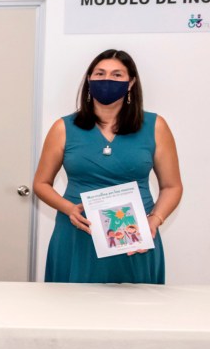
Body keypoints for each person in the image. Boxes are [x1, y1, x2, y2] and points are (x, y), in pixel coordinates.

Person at [34, 49, 182, 283]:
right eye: (100, 74)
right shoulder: (63, 127)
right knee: (71, 303)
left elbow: (172, 186)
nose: (107, 80)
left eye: (117, 75)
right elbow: (41, 184)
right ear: (89, 80)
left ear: (131, 83)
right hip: (79, 233)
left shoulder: (156, 126)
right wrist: (68, 209)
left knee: (136, 304)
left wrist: (154, 220)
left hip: (134, 237)